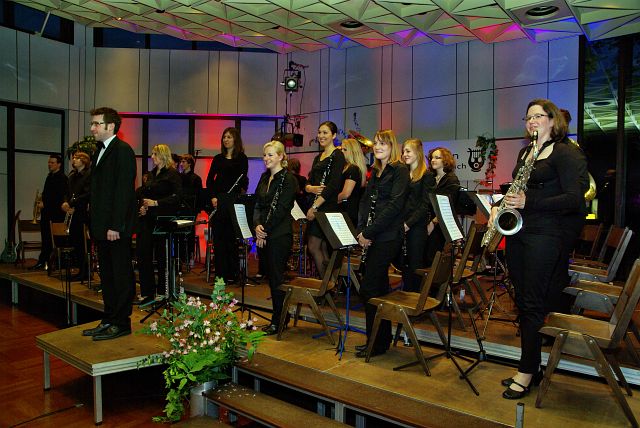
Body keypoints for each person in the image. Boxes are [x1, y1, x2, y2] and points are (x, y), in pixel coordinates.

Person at [491, 99, 587, 399]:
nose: (532, 121)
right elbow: (519, 189)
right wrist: (499, 204)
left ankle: (526, 371)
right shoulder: (526, 152)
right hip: (520, 233)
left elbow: (575, 198)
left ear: (553, 120)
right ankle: (532, 366)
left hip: (546, 235)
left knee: (533, 304)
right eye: (528, 117)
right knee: (523, 301)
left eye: (538, 116)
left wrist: (529, 201)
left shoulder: (566, 152)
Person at [82, 107, 137, 341]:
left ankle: (121, 322)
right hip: (101, 227)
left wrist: (116, 225)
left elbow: (123, 191)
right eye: (92, 123)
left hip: (115, 228)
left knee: (120, 275)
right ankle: (109, 318)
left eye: (96, 124)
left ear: (110, 126)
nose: (92, 128)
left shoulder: (123, 151)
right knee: (106, 275)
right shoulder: (99, 151)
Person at [355, 129, 409, 358]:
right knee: (378, 289)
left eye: (383, 144)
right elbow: (365, 202)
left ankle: (375, 343)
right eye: (376, 143)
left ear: (392, 146)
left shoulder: (400, 170)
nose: (377, 147)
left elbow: (395, 206)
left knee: (369, 289)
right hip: (374, 235)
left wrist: (369, 232)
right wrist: (361, 231)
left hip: (388, 236)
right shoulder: (376, 172)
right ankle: (380, 340)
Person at [253, 141, 297, 335]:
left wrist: (265, 230)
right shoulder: (264, 177)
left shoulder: (288, 179)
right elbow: (257, 204)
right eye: (265, 155)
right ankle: (281, 317)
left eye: (270, 155)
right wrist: (257, 226)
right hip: (264, 233)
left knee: (277, 279)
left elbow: (281, 209)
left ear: (281, 156)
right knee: (270, 278)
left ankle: (278, 320)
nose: (266, 158)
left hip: (279, 234)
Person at [136, 144, 182, 307]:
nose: (152, 157)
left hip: (162, 219)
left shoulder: (172, 174)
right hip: (147, 219)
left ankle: (164, 291)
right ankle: (147, 292)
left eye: (155, 154)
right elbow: (143, 194)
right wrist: (142, 206)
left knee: (163, 257)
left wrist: (156, 203)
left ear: (163, 155)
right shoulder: (151, 174)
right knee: (143, 255)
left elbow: (177, 197)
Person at [206, 127, 249, 284]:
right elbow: (210, 180)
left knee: (231, 239)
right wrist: (213, 197)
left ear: (235, 140)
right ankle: (221, 274)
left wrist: (239, 192)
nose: (226, 139)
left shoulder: (242, 158)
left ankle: (232, 273)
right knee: (219, 239)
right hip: (219, 200)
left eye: (229, 137)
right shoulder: (218, 158)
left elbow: (243, 180)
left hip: (233, 201)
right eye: (224, 137)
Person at [305, 121, 346, 279]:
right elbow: (308, 182)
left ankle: (327, 284)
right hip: (316, 203)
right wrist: (310, 188)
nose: (321, 136)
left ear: (334, 135)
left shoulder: (338, 155)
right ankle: (330, 283)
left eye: (325, 132)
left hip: (326, 206)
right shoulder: (318, 157)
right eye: (319, 132)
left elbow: (334, 185)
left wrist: (315, 207)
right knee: (320, 247)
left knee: (314, 246)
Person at [398, 138, 435, 292]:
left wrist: (409, 224)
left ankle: (415, 297)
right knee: (403, 263)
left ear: (418, 153)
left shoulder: (427, 175)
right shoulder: (403, 174)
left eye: (408, 151)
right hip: (402, 224)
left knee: (415, 264)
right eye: (403, 151)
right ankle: (406, 295)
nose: (404, 154)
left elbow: (425, 205)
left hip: (417, 226)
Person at [31, 154, 68, 270]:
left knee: (55, 240)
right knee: (45, 238)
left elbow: (59, 197)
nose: (50, 164)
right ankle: (43, 261)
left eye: (52, 162)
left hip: (56, 215)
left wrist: (45, 204)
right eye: (49, 162)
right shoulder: (49, 177)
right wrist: (41, 201)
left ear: (59, 164)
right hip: (46, 214)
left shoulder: (62, 178)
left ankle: (55, 263)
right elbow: (47, 194)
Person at [424, 147, 460, 266]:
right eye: (432, 158)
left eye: (437, 157)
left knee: (432, 256)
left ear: (445, 160)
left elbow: (447, 207)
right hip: (428, 220)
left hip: (441, 224)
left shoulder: (451, 179)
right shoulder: (431, 178)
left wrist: (433, 223)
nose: (433, 160)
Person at [62, 151, 91, 281]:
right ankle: (79, 269)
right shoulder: (72, 176)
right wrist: (65, 203)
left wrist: (72, 203)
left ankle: (85, 271)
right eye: (73, 158)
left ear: (84, 161)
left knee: (83, 243)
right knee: (76, 243)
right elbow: (67, 192)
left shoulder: (88, 175)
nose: (74, 160)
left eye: (77, 158)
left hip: (82, 213)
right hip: (72, 213)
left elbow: (87, 194)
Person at [179, 154, 203, 266]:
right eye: (181, 162)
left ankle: (190, 256)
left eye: (184, 162)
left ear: (189, 164)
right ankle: (180, 257)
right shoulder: (178, 177)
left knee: (189, 233)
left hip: (190, 210)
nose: (181, 164)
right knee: (179, 234)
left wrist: (196, 210)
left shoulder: (196, 178)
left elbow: (199, 196)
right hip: (180, 209)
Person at [337, 138, 367, 227]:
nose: (342, 152)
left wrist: (330, 200)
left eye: (345, 149)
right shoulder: (348, 167)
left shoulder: (352, 169)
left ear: (352, 152)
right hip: (346, 211)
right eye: (341, 149)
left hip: (347, 212)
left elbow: (346, 194)